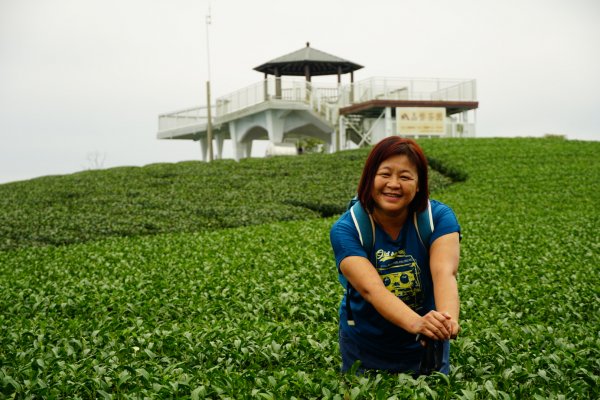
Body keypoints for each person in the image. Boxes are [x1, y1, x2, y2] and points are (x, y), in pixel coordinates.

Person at [330, 136, 461, 375]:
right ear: (369, 178)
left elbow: (445, 272)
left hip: (426, 341)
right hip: (366, 344)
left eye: (405, 177)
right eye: (385, 174)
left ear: (419, 184)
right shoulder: (348, 229)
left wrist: (446, 321)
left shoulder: (439, 219)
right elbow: (372, 289)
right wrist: (418, 324)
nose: (394, 184)